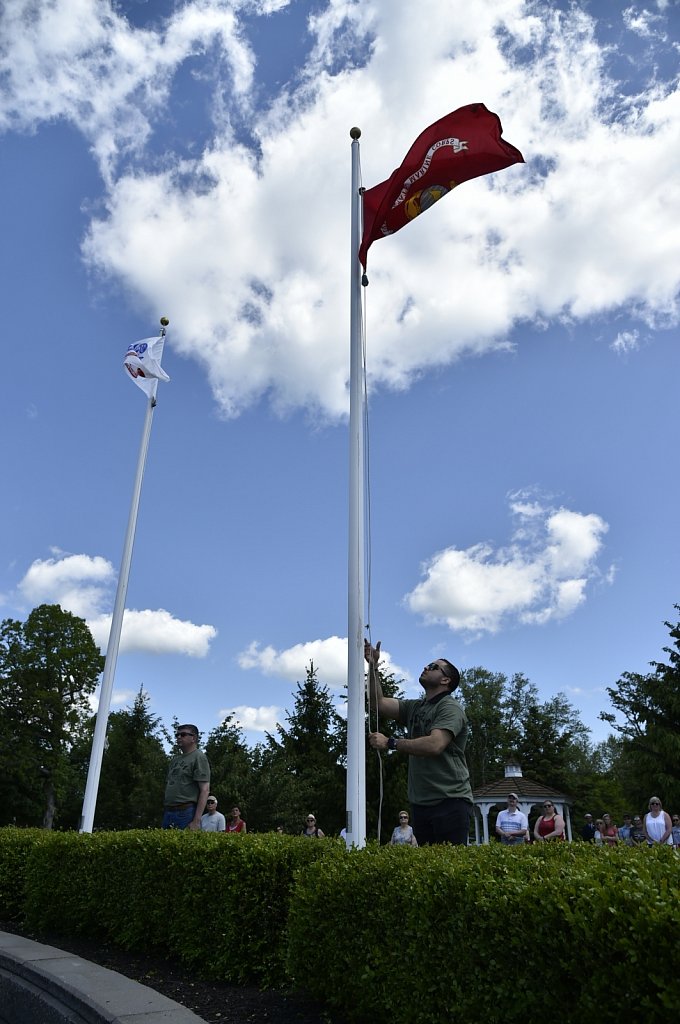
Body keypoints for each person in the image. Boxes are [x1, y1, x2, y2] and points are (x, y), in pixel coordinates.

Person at [365, 640, 472, 846]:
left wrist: (391, 743)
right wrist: (372, 666)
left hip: (450, 801)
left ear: (445, 680)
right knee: (428, 872)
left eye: (433, 667)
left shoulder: (450, 708)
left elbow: (435, 745)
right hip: (421, 803)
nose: (426, 667)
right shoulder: (415, 707)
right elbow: (377, 703)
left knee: (449, 871)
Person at [163, 724, 210, 830]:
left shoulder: (199, 757)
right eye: (177, 735)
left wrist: (196, 821)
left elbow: (205, 790)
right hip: (168, 811)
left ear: (194, 738)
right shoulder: (175, 760)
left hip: (185, 812)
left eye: (183, 734)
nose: (179, 737)